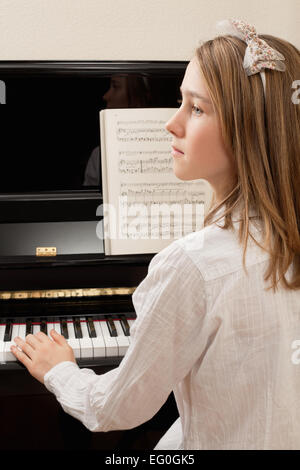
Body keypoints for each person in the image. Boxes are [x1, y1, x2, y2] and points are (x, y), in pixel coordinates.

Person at [10, 18, 300, 449]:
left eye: (196, 109)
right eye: (179, 102)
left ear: (248, 128)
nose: (171, 124)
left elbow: (114, 410)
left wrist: (60, 370)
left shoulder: (194, 264)